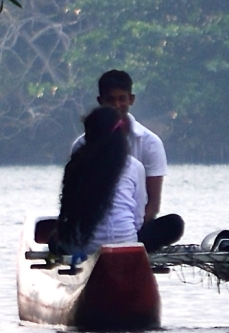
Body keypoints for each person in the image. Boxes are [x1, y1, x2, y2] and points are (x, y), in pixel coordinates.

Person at [56, 106, 184, 257]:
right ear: (120, 135)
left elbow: (70, 211)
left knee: (55, 240)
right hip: (127, 244)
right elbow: (138, 219)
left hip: (84, 247)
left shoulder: (76, 164)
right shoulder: (135, 166)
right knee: (174, 224)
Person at [70, 69, 168, 221]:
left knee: (173, 224)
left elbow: (153, 203)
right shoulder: (82, 145)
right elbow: (75, 195)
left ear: (131, 99)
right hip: (92, 223)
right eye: (110, 100)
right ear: (100, 101)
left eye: (122, 99)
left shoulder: (150, 143)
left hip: (134, 224)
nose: (117, 105)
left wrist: (133, 234)